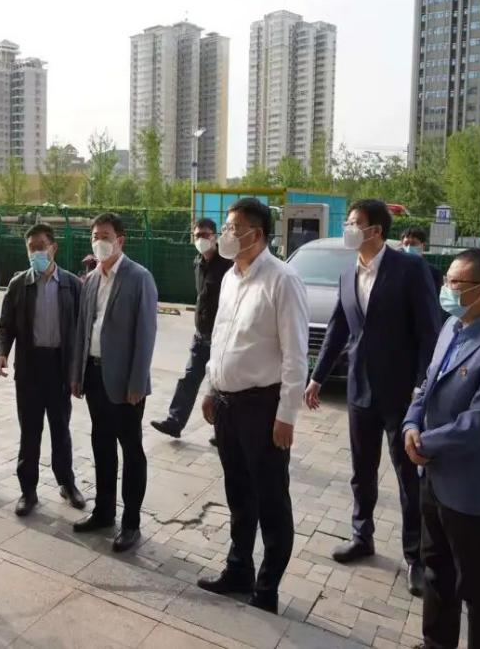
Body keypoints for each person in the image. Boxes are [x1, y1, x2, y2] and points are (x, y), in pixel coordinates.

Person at [305, 200, 442, 596]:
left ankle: (416, 557)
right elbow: (338, 328)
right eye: (348, 222)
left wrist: (422, 387)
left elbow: (429, 332)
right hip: (359, 390)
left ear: (376, 231)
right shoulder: (348, 273)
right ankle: (361, 536)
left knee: (408, 477)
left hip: (402, 394)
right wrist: (317, 377)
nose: (348, 228)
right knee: (361, 471)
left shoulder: (409, 270)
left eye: (354, 223)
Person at [403, 249, 480, 649]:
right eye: (447, 280)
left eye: (455, 283)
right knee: (436, 570)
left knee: (478, 589)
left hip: (470, 490)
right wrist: (411, 424)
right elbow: (427, 383)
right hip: (433, 476)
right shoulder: (453, 326)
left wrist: (425, 442)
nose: (446, 288)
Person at [196, 198, 309, 615]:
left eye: (233, 228)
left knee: (271, 501)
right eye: (226, 226)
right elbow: (220, 339)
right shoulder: (230, 277)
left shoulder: (283, 280)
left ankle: (267, 588)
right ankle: (238, 569)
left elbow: (296, 355)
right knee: (239, 496)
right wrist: (211, 387)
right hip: (227, 406)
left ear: (257, 234)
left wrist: (286, 416)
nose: (226, 234)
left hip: (263, 408)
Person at [70, 213, 158, 553]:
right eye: (95, 236)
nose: (99, 241)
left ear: (120, 240)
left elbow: (146, 334)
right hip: (94, 376)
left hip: (125, 382)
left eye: (105, 236)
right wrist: (77, 374)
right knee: (102, 444)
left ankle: (131, 523)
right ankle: (104, 512)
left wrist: (137, 382)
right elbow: (83, 328)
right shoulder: (91, 279)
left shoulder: (139, 278)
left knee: (131, 449)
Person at [0, 223, 86, 516]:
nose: (36, 252)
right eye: (31, 248)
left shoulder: (72, 285)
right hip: (30, 369)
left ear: (53, 248)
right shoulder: (18, 285)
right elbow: (5, 325)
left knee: (61, 429)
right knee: (30, 431)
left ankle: (67, 483)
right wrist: (1, 352)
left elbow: (83, 332)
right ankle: (28, 491)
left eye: (41, 246)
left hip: (60, 368)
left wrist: (78, 372)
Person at [151, 218, 230, 444]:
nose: (201, 239)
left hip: (221, 337)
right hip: (201, 335)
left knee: (221, 386)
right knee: (189, 379)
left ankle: (222, 431)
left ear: (215, 236)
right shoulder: (198, 262)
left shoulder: (227, 264)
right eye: (197, 235)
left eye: (205, 235)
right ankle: (174, 422)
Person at [401, 226, 443, 293]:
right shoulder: (394, 269)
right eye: (406, 244)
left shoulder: (433, 272)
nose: (409, 247)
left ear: (423, 246)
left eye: (413, 244)